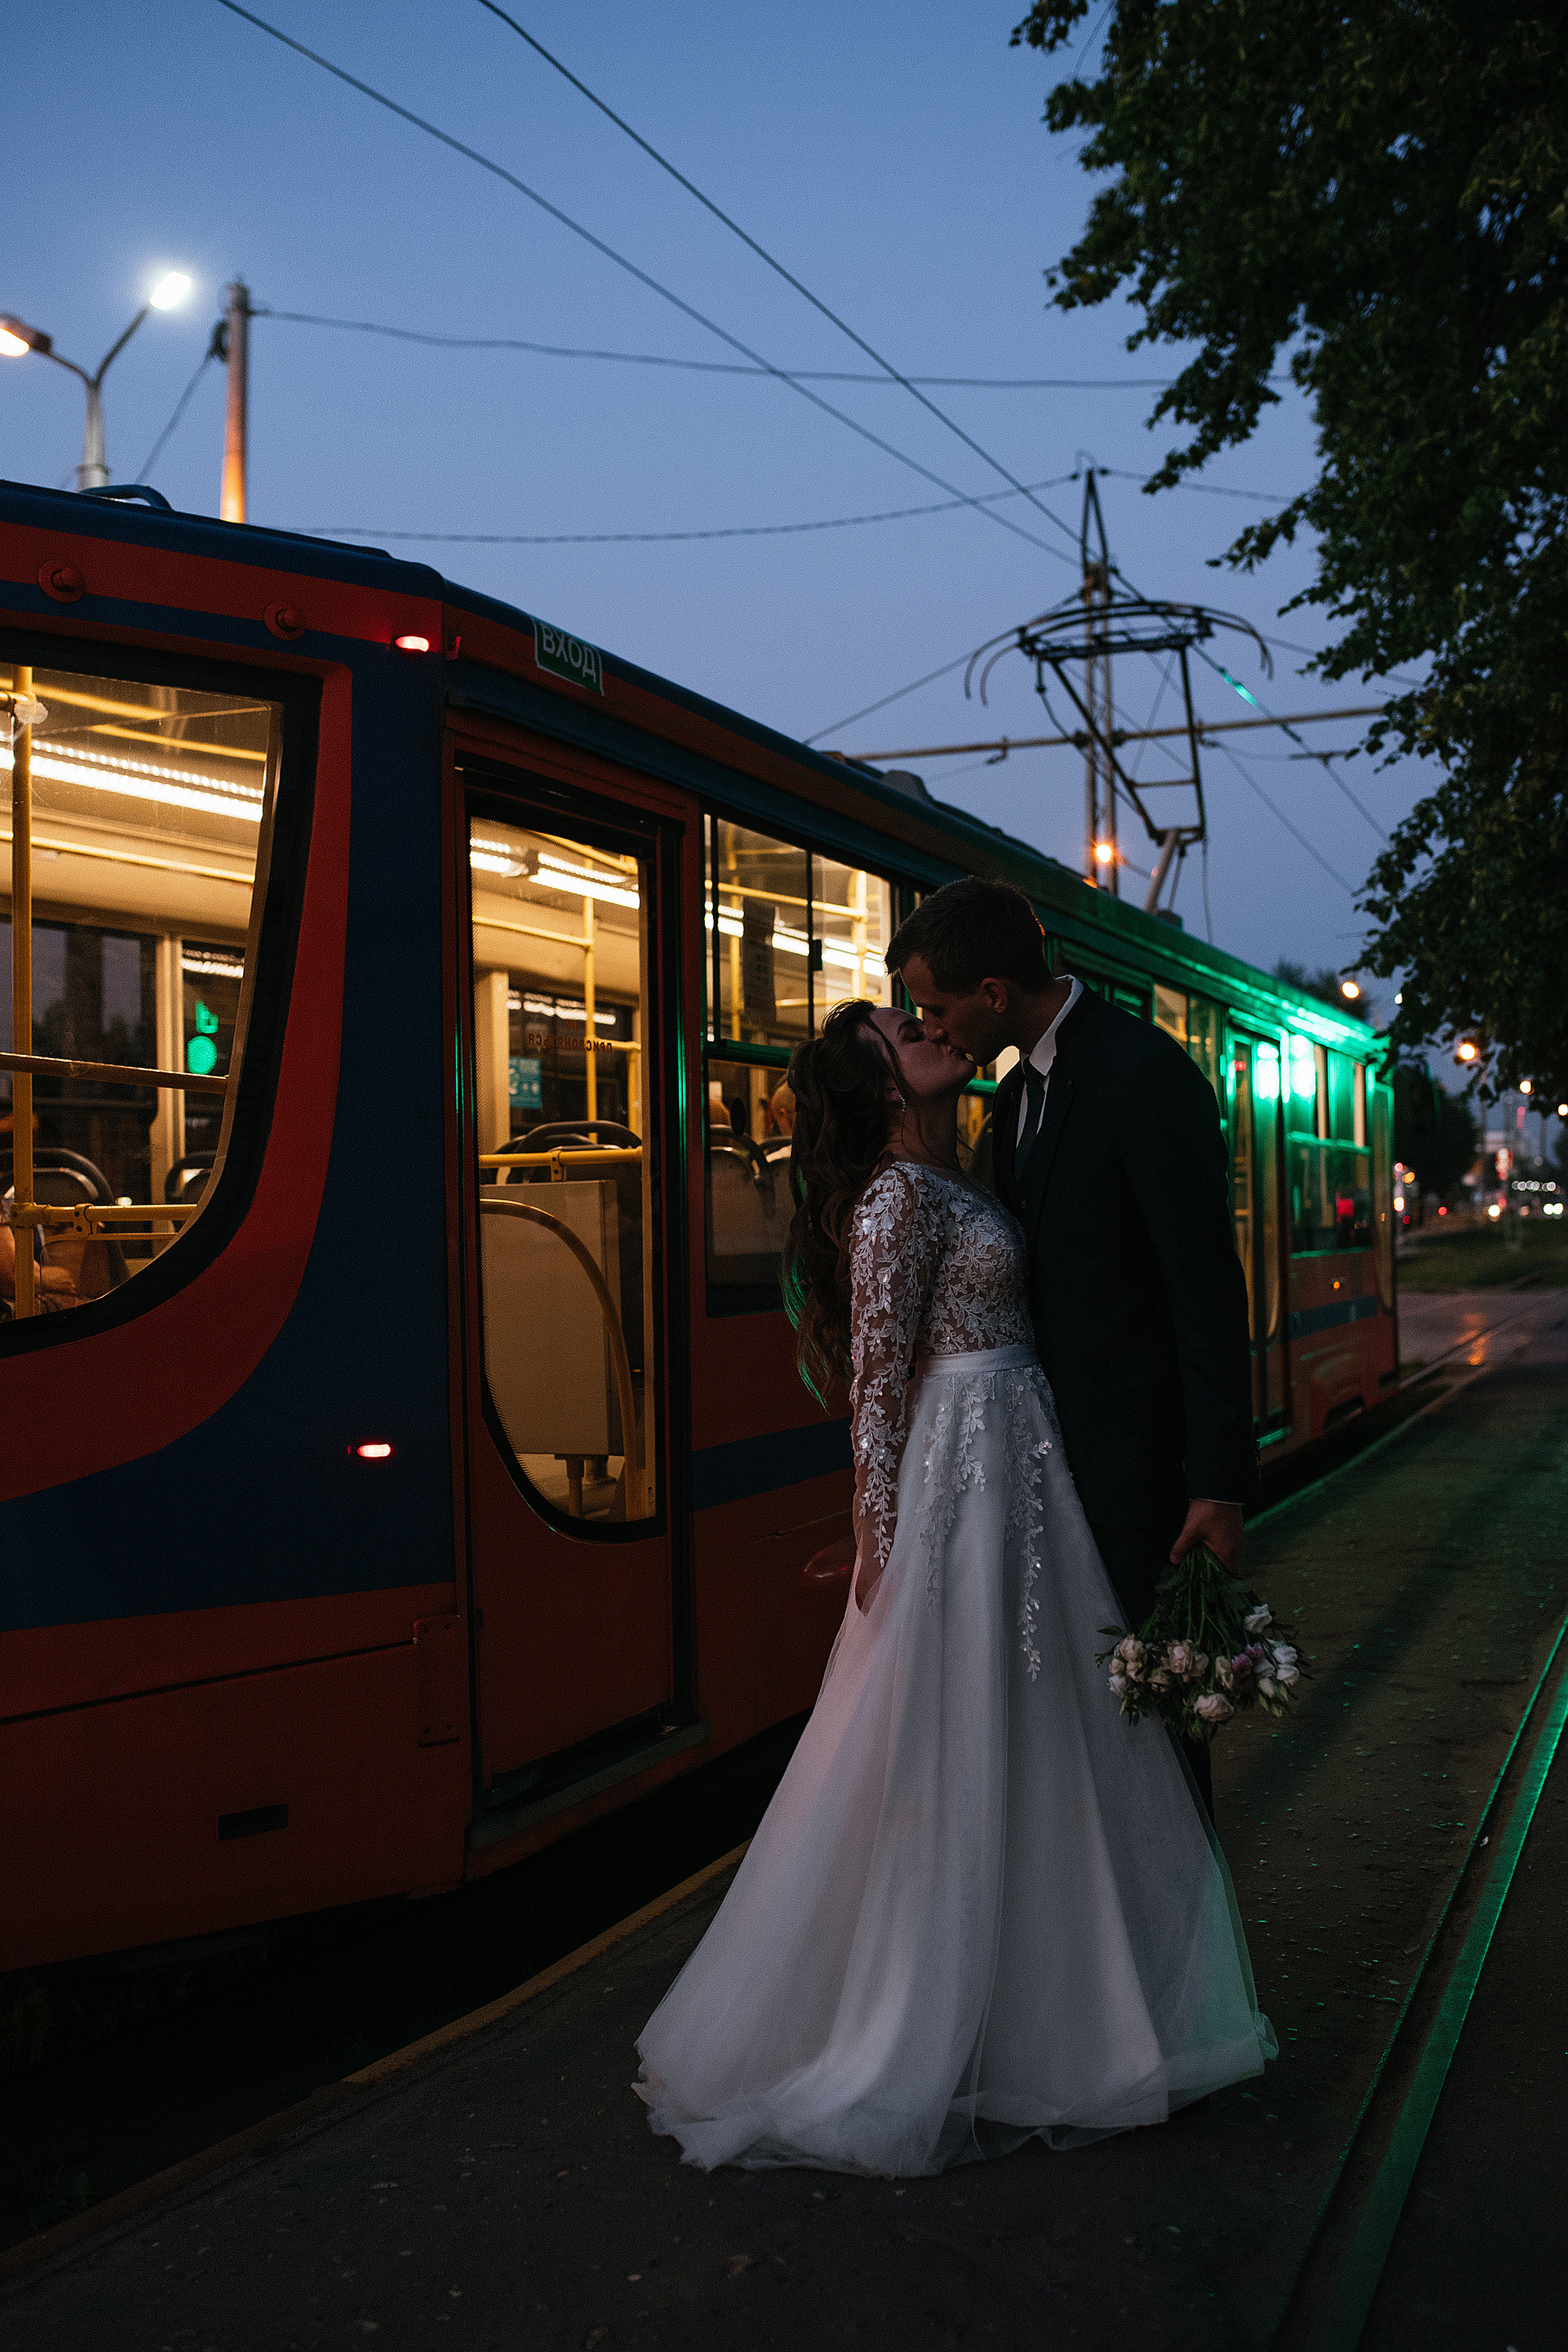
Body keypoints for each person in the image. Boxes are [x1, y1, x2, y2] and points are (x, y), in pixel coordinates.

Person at [635, 998, 1273, 2176]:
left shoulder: (962, 1171)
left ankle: (1044, 2007)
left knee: (1036, 1729)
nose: (926, 1029)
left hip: (1021, 1464)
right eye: (898, 1033)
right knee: (963, 1725)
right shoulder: (894, 1197)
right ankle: (921, 2026)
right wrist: (881, 1542)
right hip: (968, 1472)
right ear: (883, 1087)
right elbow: (877, 1387)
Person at [887, 879, 1257, 1819]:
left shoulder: (1146, 1075)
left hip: (1140, 1487)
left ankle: (1181, 1947)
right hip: (1042, 1474)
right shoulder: (1011, 1095)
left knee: (1163, 1744)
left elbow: (1206, 1291)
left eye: (937, 1008)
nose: (933, 1030)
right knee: (1078, 1738)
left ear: (996, 993)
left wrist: (1217, 1483)